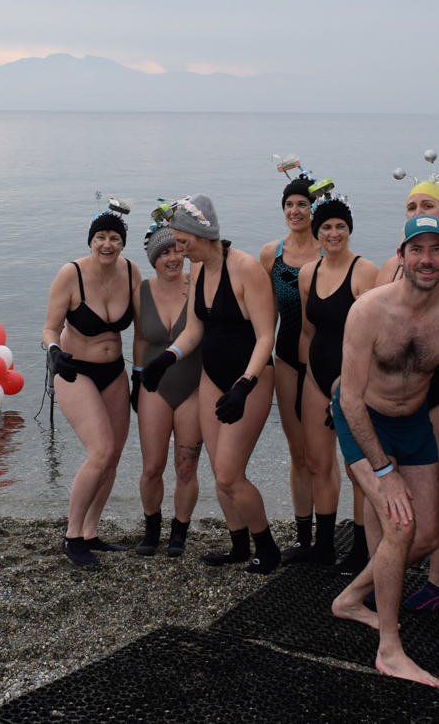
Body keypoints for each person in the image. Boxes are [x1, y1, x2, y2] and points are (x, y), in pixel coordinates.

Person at [329, 214, 439, 687]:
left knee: (428, 536)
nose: (426, 259)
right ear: (401, 256)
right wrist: (382, 471)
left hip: (413, 424)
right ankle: (390, 649)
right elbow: (350, 398)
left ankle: (350, 598)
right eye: (417, 249)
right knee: (399, 526)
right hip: (362, 419)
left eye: (436, 250)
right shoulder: (369, 310)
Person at [143, 194, 282, 574]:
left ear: (202, 236)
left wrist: (245, 385)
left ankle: (267, 548)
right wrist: (166, 359)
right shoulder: (200, 269)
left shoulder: (246, 269)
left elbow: (266, 336)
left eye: (183, 242)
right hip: (211, 379)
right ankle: (238, 545)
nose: (179, 251)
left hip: (249, 380)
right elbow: (194, 329)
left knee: (229, 474)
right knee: (219, 473)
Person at [370, 175, 439, 593]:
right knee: (381, 492)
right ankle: (379, 578)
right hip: (393, 397)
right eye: (412, 207)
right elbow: (369, 336)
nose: (419, 212)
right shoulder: (392, 266)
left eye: (428, 205)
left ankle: (438, 581)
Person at [42, 203, 140, 566]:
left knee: (113, 455)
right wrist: (54, 352)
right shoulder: (70, 275)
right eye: (100, 237)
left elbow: (145, 327)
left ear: (123, 243)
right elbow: (50, 327)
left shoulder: (131, 271)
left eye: (115, 238)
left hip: (114, 371)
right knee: (100, 451)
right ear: (90, 241)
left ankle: (91, 532)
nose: (107, 244)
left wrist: (142, 371)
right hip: (74, 370)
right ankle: (72, 536)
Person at [295, 192, 379, 565]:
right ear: (316, 232)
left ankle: (360, 550)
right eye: (326, 227)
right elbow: (307, 332)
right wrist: (304, 379)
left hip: (354, 383)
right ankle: (324, 546)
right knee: (318, 463)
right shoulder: (307, 273)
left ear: (350, 230)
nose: (334, 233)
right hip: (315, 378)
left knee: (357, 468)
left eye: (341, 226)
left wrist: (347, 391)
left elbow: (375, 340)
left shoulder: (364, 271)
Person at [259, 168, 322, 563]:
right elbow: (264, 317)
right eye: (289, 204)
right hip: (284, 359)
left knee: (322, 456)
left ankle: (327, 536)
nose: (295, 210)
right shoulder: (272, 254)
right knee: (298, 453)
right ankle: (303, 537)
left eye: (302, 204)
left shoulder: (329, 249)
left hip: (322, 362)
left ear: (313, 209)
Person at [132, 219, 205, 558]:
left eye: (176, 250)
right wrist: (136, 378)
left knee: (186, 468)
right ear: (153, 260)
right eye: (163, 253)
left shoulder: (199, 286)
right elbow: (140, 338)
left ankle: (180, 531)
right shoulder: (141, 292)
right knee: (152, 467)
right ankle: (151, 528)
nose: (172, 258)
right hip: (154, 387)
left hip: (194, 387)